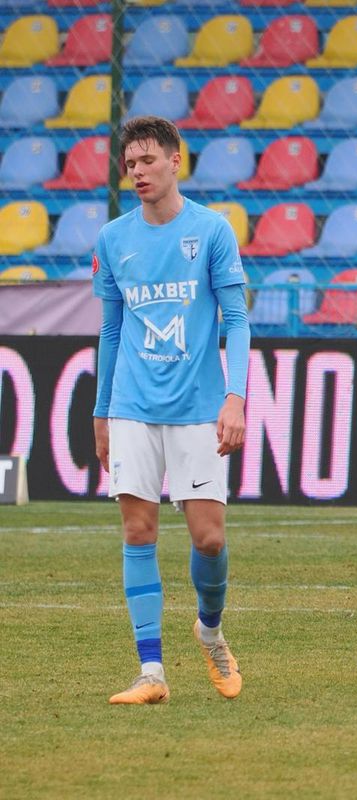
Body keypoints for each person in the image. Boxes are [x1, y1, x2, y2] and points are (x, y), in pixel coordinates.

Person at [92, 116, 250, 705]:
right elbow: (111, 329)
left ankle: (210, 631)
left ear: (175, 161)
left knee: (208, 539)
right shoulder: (113, 239)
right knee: (139, 529)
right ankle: (151, 671)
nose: (137, 171)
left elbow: (236, 319)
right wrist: (102, 411)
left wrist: (235, 396)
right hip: (133, 404)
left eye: (148, 160)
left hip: (198, 408)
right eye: (130, 163)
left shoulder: (211, 231)